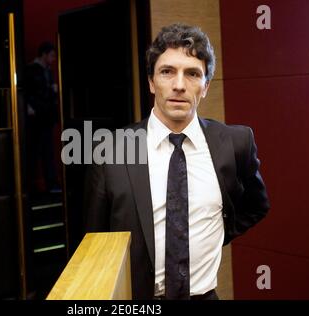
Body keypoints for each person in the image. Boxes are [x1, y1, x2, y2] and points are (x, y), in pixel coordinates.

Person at [84, 24, 270, 300]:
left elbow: (256, 206)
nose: (179, 85)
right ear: (151, 81)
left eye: (193, 74)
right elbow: (95, 245)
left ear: (206, 86)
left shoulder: (236, 142)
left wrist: (212, 233)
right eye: (167, 71)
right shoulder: (110, 149)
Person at [25, 42, 61, 193]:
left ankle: (51, 184)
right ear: (44, 54)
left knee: (47, 152)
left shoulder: (47, 71)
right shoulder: (31, 70)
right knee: (34, 152)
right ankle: (32, 185)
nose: (53, 59)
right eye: (52, 55)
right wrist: (28, 107)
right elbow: (26, 92)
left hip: (46, 116)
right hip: (36, 117)